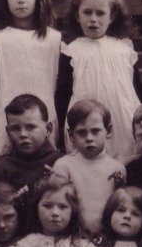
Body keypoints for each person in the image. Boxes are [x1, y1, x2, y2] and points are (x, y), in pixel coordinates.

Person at [0, 0, 63, 158]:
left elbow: (63, 85)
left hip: (45, 115)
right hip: (6, 115)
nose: (21, 0)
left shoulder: (54, 39)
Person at [56, 0, 141, 160]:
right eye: (87, 12)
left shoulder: (124, 48)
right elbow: (63, 94)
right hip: (87, 122)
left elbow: (136, 89)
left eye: (100, 13)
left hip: (122, 118)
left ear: (112, 16)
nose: (93, 19)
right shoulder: (72, 51)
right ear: (77, 16)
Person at [51, 99, 126, 234]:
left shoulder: (117, 168)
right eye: (81, 132)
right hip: (72, 237)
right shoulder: (64, 166)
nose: (89, 138)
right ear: (71, 135)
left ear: (108, 131)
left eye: (95, 131)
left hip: (106, 238)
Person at [0, 94, 62, 193]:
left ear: (48, 129)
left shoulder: (59, 163)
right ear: (8, 132)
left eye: (30, 127)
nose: (23, 134)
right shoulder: (1, 168)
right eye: (15, 128)